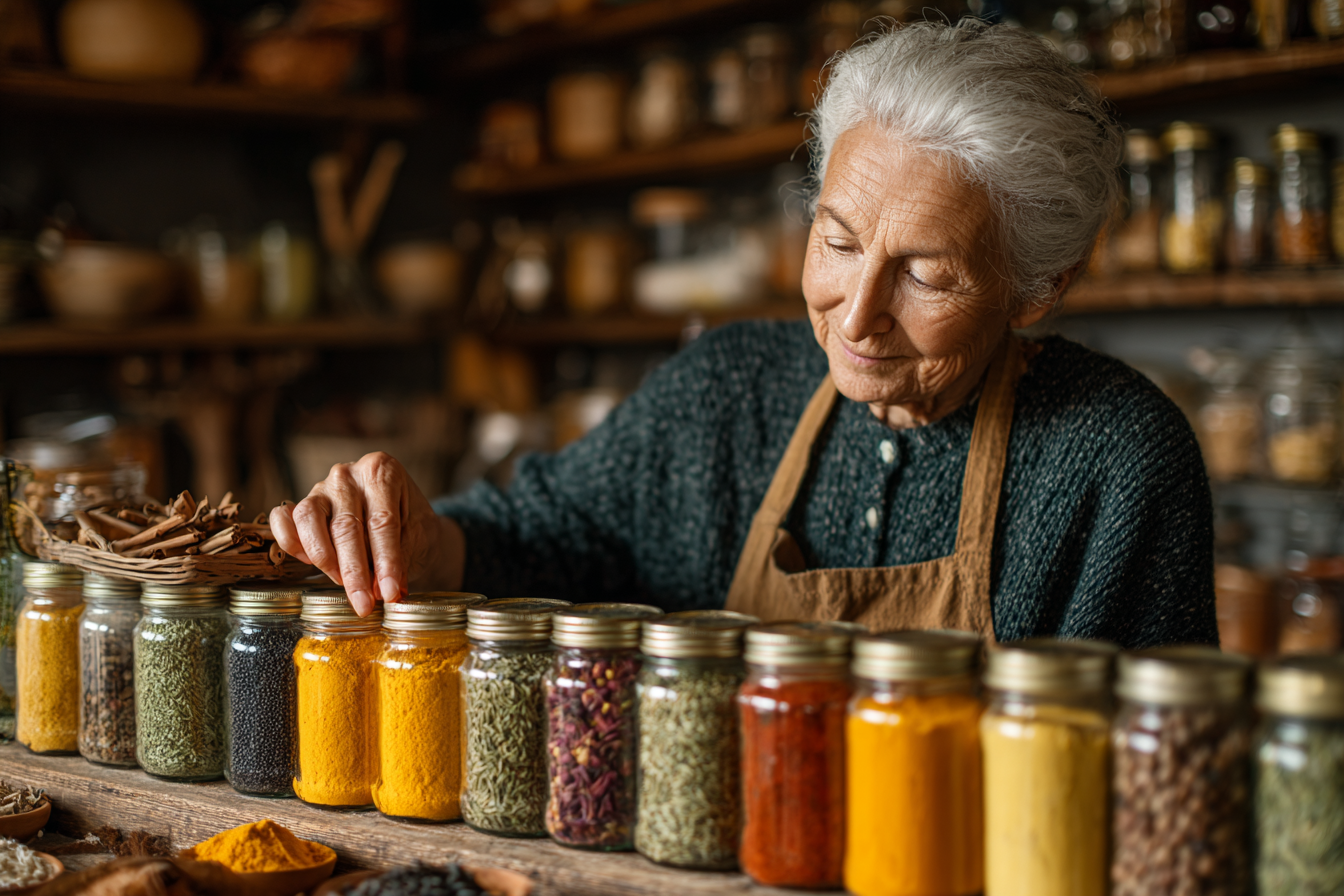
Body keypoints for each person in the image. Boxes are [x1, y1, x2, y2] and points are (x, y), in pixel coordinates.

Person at [271, 20, 1216, 647]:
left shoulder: (1116, 460)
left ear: (1040, 286)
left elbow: (1155, 797)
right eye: (837, 241)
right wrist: (418, 539)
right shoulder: (726, 389)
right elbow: (544, 535)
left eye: (925, 274)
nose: (854, 315)